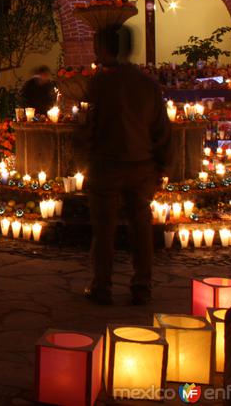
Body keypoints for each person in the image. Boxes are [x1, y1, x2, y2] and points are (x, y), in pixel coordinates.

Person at [81, 28, 172, 306]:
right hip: (141, 166)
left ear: (108, 50)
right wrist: (162, 165)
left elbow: (89, 127)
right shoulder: (148, 84)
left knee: (104, 229)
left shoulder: (100, 84)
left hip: (107, 166)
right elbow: (162, 129)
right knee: (141, 226)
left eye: (99, 47)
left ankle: (102, 286)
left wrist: (85, 156)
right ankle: (142, 286)